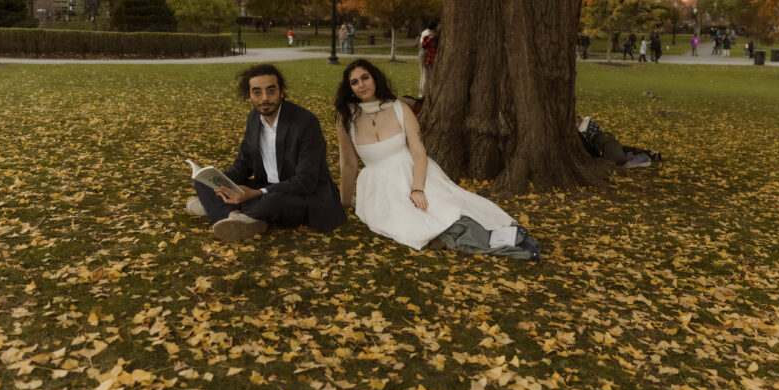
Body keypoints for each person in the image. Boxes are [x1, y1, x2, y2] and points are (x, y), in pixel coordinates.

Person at [335, 59, 539, 259]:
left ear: (375, 78)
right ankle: (485, 239)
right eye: (354, 82)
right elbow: (349, 163)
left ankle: (502, 236)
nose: (361, 85)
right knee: (412, 222)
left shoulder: (399, 107)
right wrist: (344, 202)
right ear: (349, 88)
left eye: (365, 78)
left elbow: (418, 152)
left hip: (414, 171)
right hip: (379, 185)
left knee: (447, 208)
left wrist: (417, 189)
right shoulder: (346, 117)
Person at [186, 64, 346, 242]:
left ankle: (218, 209)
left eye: (271, 91)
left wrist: (257, 193)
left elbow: (305, 182)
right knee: (203, 182)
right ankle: (235, 216)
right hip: (266, 188)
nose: (264, 98)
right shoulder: (254, 118)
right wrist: (220, 182)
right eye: (257, 92)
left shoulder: (305, 122)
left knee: (272, 201)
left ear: (281, 92)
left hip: (302, 195)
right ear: (249, 96)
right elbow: (243, 164)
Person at [577, 115, 661, 167]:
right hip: (600, 147)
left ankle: (648, 154)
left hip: (602, 144)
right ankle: (648, 154)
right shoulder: (584, 128)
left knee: (619, 148)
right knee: (620, 149)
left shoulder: (585, 124)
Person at [417, 22, 438, 98]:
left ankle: (421, 92)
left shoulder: (424, 32)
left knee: (423, 74)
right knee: (425, 75)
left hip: (421, 54)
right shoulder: (431, 34)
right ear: (434, 27)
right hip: (426, 55)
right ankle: (423, 93)